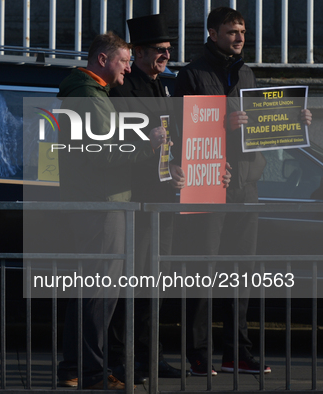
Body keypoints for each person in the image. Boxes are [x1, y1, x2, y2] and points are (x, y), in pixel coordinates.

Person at [174, 6, 312, 376]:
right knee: (204, 272)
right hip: (207, 185)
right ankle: (199, 354)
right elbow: (181, 131)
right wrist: (222, 125)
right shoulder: (190, 75)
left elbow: (262, 127)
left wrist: (294, 120)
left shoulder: (247, 73)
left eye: (243, 32)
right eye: (232, 31)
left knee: (240, 273)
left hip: (246, 186)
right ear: (213, 33)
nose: (239, 38)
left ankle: (237, 352)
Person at [55, 32, 166, 390]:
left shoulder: (88, 93)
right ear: (102, 60)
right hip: (102, 203)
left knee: (90, 290)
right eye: (124, 61)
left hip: (96, 201)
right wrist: (147, 147)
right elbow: (103, 154)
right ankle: (91, 372)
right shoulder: (89, 96)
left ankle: (75, 368)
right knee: (100, 293)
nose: (129, 68)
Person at [109, 13, 189, 380]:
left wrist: (177, 171)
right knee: (132, 282)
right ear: (138, 52)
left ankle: (150, 356)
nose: (166, 56)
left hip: (163, 200)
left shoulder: (164, 87)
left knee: (154, 282)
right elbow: (116, 148)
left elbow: (171, 141)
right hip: (135, 201)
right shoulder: (122, 91)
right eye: (160, 50)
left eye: (169, 50)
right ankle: (125, 359)